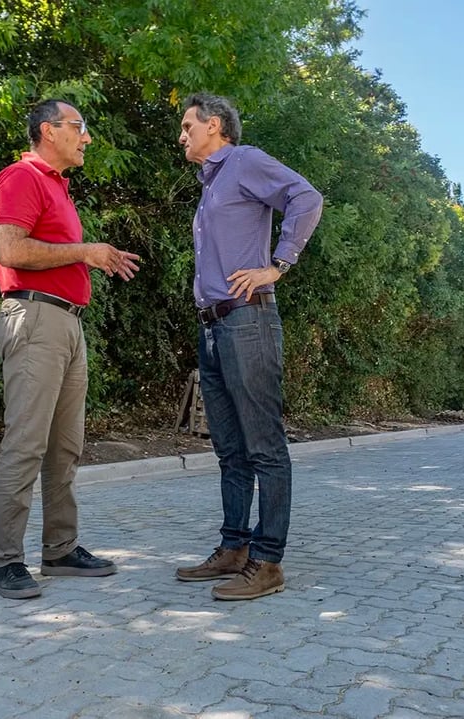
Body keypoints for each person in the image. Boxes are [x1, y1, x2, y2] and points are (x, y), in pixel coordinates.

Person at [0, 99, 140, 599]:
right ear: (49, 131)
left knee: (65, 446)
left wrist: (91, 255)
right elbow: (11, 249)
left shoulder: (57, 187)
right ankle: (7, 561)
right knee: (26, 443)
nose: (86, 137)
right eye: (79, 126)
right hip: (35, 318)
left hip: (67, 323)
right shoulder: (20, 178)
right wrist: (85, 251)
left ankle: (60, 548)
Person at [174, 93, 323, 600]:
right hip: (213, 326)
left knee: (264, 446)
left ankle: (267, 561)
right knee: (230, 449)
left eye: (188, 126)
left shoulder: (244, 161)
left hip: (247, 320)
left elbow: (307, 198)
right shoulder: (212, 182)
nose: (181, 136)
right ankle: (234, 548)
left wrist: (277, 265)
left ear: (215, 125)